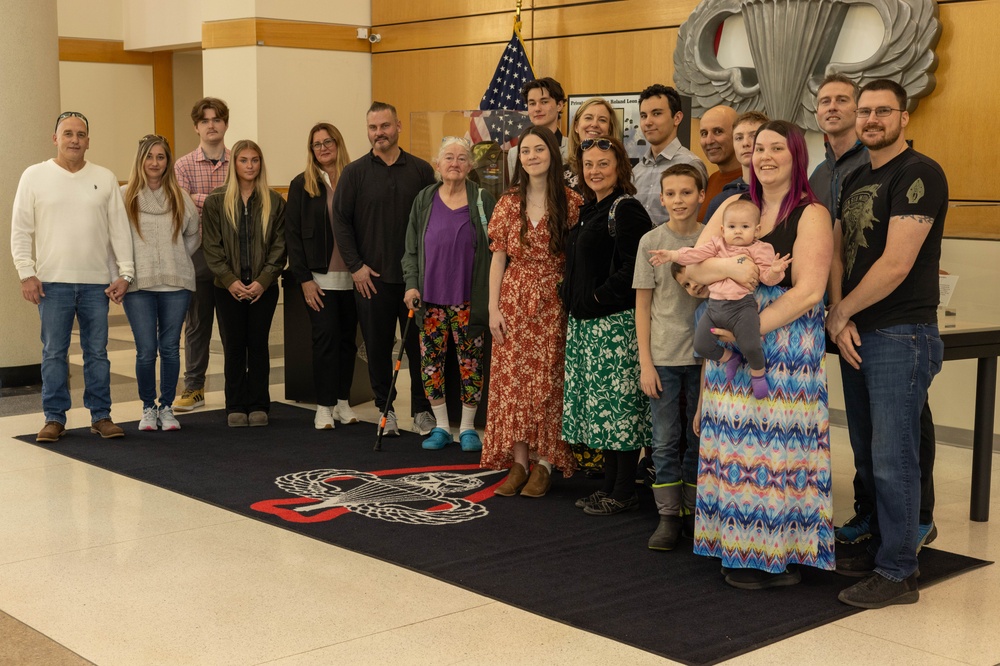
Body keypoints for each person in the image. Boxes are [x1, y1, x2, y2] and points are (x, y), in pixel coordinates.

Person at [686, 120, 834, 589]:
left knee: (779, 449)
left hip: (786, 345)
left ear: (797, 156)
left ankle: (781, 551)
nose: (764, 156)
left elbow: (809, 291)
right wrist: (729, 268)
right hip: (731, 320)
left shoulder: (811, 214)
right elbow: (694, 267)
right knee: (732, 443)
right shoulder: (732, 205)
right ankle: (736, 548)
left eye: (777, 148)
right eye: (758, 148)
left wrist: (745, 332)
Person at [827, 79, 946, 609]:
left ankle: (898, 571)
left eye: (883, 111)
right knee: (868, 450)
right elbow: (835, 253)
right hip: (856, 331)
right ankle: (879, 540)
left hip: (900, 332)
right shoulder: (853, 175)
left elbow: (896, 263)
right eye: (866, 111)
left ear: (904, 117)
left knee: (893, 455)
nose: (872, 119)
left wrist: (844, 310)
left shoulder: (919, 173)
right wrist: (839, 314)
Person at [11, 111, 135, 442]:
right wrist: (26, 272)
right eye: (68, 134)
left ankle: (101, 415)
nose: (74, 140)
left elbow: (119, 231)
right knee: (54, 352)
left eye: (80, 134)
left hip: (96, 283)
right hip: (52, 284)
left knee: (97, 352)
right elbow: (21, 228)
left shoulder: (105, 177)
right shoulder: (34, 176)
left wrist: (125, 273)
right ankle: (54, 418)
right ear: (55, 138)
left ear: (88, 141)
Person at [482, 125, 583, 496]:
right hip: (514, 299)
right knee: (514, 385)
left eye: (539, 149)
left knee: (547, 384)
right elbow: (497, 260)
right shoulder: (508, 202)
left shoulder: (572, 202)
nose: (532, 156)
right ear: (518, 158)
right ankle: (519, 462)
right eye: (525, 151)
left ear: (552, 155)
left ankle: (544, 463)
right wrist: (493, 308)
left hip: (554, 302)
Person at [332, 102, 436, 437]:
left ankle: (421, 411)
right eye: (373, 128)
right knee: (376, 348)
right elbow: (341, 223)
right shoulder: (354, 173)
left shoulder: (420, 171)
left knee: (420, 350)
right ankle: (385, 409)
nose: (379, 133)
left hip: (414, 281)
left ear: (398, 126)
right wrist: (356, 268)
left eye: (385, 126)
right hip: (371, 281)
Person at [561, 135, 653, 515]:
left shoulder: (626, 209)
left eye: (603, 164)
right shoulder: (589, 209)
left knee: (621, 412)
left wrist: (598, 297)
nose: (594, 171)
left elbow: (637, 267)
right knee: (603, 413)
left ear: (620, 168)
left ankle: (624, 491)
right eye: (589, 165)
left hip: (614, 326)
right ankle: (610, 486)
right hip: (587, 327)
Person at [402, 137, 497, 451]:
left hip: (470, 298)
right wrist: (411, 284)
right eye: (448, 158)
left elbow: (497, 248)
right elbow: (411, 250)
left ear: (469, 166)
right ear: (438, 165)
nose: (454, 163)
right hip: (430, 299)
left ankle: (468, 428)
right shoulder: (424, 199)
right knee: (431, 364)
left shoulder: (482, 198)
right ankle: (441, 426)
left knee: (471, 364)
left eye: (461, 158)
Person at [632, 164, 706, 548]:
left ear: (701, 196)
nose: (679, 200)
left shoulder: (712, 240)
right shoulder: (650, 242)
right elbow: (642, 306)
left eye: (686, 192)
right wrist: (645, 362)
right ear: (662, 198)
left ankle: (694, 512)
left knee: (698, 437)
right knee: (663, 439)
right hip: (662, 356)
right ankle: (667, 515)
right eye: (671, 194)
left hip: (704, 358)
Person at [650, 199, 791, 399]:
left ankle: (758, 374)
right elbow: (695, 255)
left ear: (757, 230)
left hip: (742, 308)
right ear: (723, 230)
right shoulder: (717, 245)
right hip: (715, 307)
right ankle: (729, 358)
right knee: (701, 345)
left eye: (745, 226)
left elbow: (766, 278)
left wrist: (776, 271)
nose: (738, 231)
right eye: (732, 227)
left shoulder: (760, 249)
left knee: (750, 344)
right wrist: (672, 255)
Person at [201, 140, 286, 427]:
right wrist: (230, 280)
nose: (250, 166)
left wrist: (263, 280)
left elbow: (279, 246)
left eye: (255, 160)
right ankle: (236, 404)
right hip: (227, 289)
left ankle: (260, 404)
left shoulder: (274, 202)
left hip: (264, 288)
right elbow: (211, 247)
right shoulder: (216, 201)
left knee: (258, 345)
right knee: (235, 346)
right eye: (244, 160)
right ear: (234, 164)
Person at [120, 134, 200, 431]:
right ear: (141, 160)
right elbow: (114, 239)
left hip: (176, 285)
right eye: (150, 156)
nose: (155, 162)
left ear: (168, 162)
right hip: (138, 286)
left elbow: (193, 234)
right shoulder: (124, 195)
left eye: (161, 157)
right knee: (145, 350)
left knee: (169, 348)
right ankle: (147, 408)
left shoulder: (181, 196)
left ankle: (166, 407)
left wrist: (175, 258)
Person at [285, 122, 359, 430]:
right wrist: (304, 279)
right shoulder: (302, 184)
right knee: (325, 340)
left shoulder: (355, 179)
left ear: (338, 144)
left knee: (347, 343)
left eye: (328, 141)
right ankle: (324, 406)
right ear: (311, 150)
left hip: (355, 278)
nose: (323, 147)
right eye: (317, 144)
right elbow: (293, 235)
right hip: (319, 279)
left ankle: (343, 401)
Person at [173, 97, 231, 413]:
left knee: (233, 326)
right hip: (195, 256)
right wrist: (220, 201)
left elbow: (242, 208)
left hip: (233, 258)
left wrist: (201, 199)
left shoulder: (238, 161)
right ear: (196, 127)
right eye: (205, 120)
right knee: (197, 326)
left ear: (225, 124)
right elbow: (183, 210)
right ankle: (194, 387)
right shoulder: (182, 165)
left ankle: (240, 386)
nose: (212, 125)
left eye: (217, 119)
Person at [632, 84, 708, 226]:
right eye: (643, 115)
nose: (648, 122)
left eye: (656, 113)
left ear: (677, 118)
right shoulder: (636, 171)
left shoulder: (690, 164)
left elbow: (695, 223)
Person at [702, 111, 769, 222]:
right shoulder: (721, 200)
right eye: (739, 138)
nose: (745, 143)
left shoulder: (781, 194)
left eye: (753, 136)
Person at [506, 77, 570, 178]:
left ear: (559, 105)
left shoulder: (573, 149)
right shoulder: (514, 154)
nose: (537, 109)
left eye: (544, 102)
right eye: (532, 103)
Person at [566, 97, 622, 192]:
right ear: (576, 126)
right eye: (588, 118)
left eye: (602, 120)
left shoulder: (620, 170)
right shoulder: (560, 174)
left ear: (610, 129)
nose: (594, 124)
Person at [696, 105, 741, 222]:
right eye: (704, 133)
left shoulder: (752, 181)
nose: (709, 141)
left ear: (737, 135)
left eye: (718, 131)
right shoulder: (712, 179)